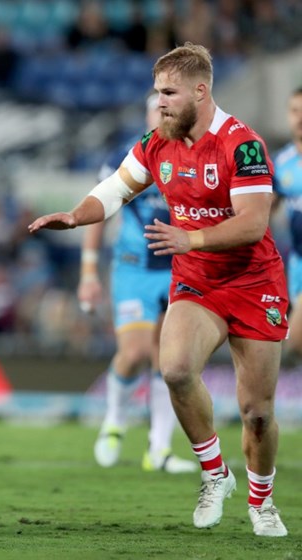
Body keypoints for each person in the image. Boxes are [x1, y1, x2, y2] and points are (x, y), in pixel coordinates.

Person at [29, 43, 288, 537]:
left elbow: (254, 224)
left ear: (200, 90)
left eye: (168, 93)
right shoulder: (157, 143)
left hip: (254, 285)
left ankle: (262, 501)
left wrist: (189, 237)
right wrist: (74, 215)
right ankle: (215, 474)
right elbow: (114, 190)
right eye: (156, 92)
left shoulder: (243, 144)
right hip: (198, 283)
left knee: (257, 413)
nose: (160, 102)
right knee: (173, 370)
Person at [79, 94, 197, 475]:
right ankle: (114, 421)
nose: (162, 116)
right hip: (133, 271)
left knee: (168, 359)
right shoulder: (125, 157)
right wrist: (88, 271)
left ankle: (158, 449)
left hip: (178, 269)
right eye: (156, 111)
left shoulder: (194, 157)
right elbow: (99, 212)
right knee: (133, 352)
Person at [273, 88, 302, 363]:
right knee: (297, 345)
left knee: (296, 338)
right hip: (297, 262)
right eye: (295, 111)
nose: (300, 118)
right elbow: (264, 211)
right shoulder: (282, 164)